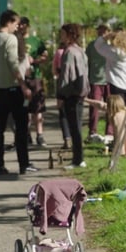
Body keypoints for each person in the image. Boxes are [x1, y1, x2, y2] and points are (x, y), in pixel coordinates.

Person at [0, 10, 37, 175]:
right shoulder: (10, 39)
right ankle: (23, 163)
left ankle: (0, 164)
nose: (17, 27)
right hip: (13, 88)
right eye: (16, 23)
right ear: (9, 21)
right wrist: (23, 85)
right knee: (20, 127)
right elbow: (13, 64)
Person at [56, 23, 90, 170]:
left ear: (70, 35)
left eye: (63, 34)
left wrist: (60, 96)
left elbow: (66, 75)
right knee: (77, 126)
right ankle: (78, 158)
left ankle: (78, 159)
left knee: (74, 127)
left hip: (71, 94)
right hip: (80, 93)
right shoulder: (80, 51)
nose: (61, 36)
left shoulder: (69, 52)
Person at [94, 26, 126, 107]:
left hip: (116, 84)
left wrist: (108, 35)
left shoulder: (112, 52)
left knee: (117, 111)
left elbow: (97, 45)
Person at [20, 17, 48, 148]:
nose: (21, 27)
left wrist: (35, 60)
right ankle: (26, 135)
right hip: (20, 77)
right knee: (23, 108)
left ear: (28, 26)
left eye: (23, 25)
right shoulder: (14, 40)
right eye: (19, 25)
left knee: (37, 107)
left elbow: (45, 56)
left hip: (35, 76)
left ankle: (40, 135)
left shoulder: (36, 41)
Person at [86, 24, 111, 140]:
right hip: (95, 80)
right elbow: (87, 62)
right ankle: (92, 131)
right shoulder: (91, 46)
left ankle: (110, 132)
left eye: (105, 30)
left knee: (111, 107)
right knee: (94, 107)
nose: (102, 32)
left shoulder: (111, 46)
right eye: (100, 30)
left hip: (109, 80)